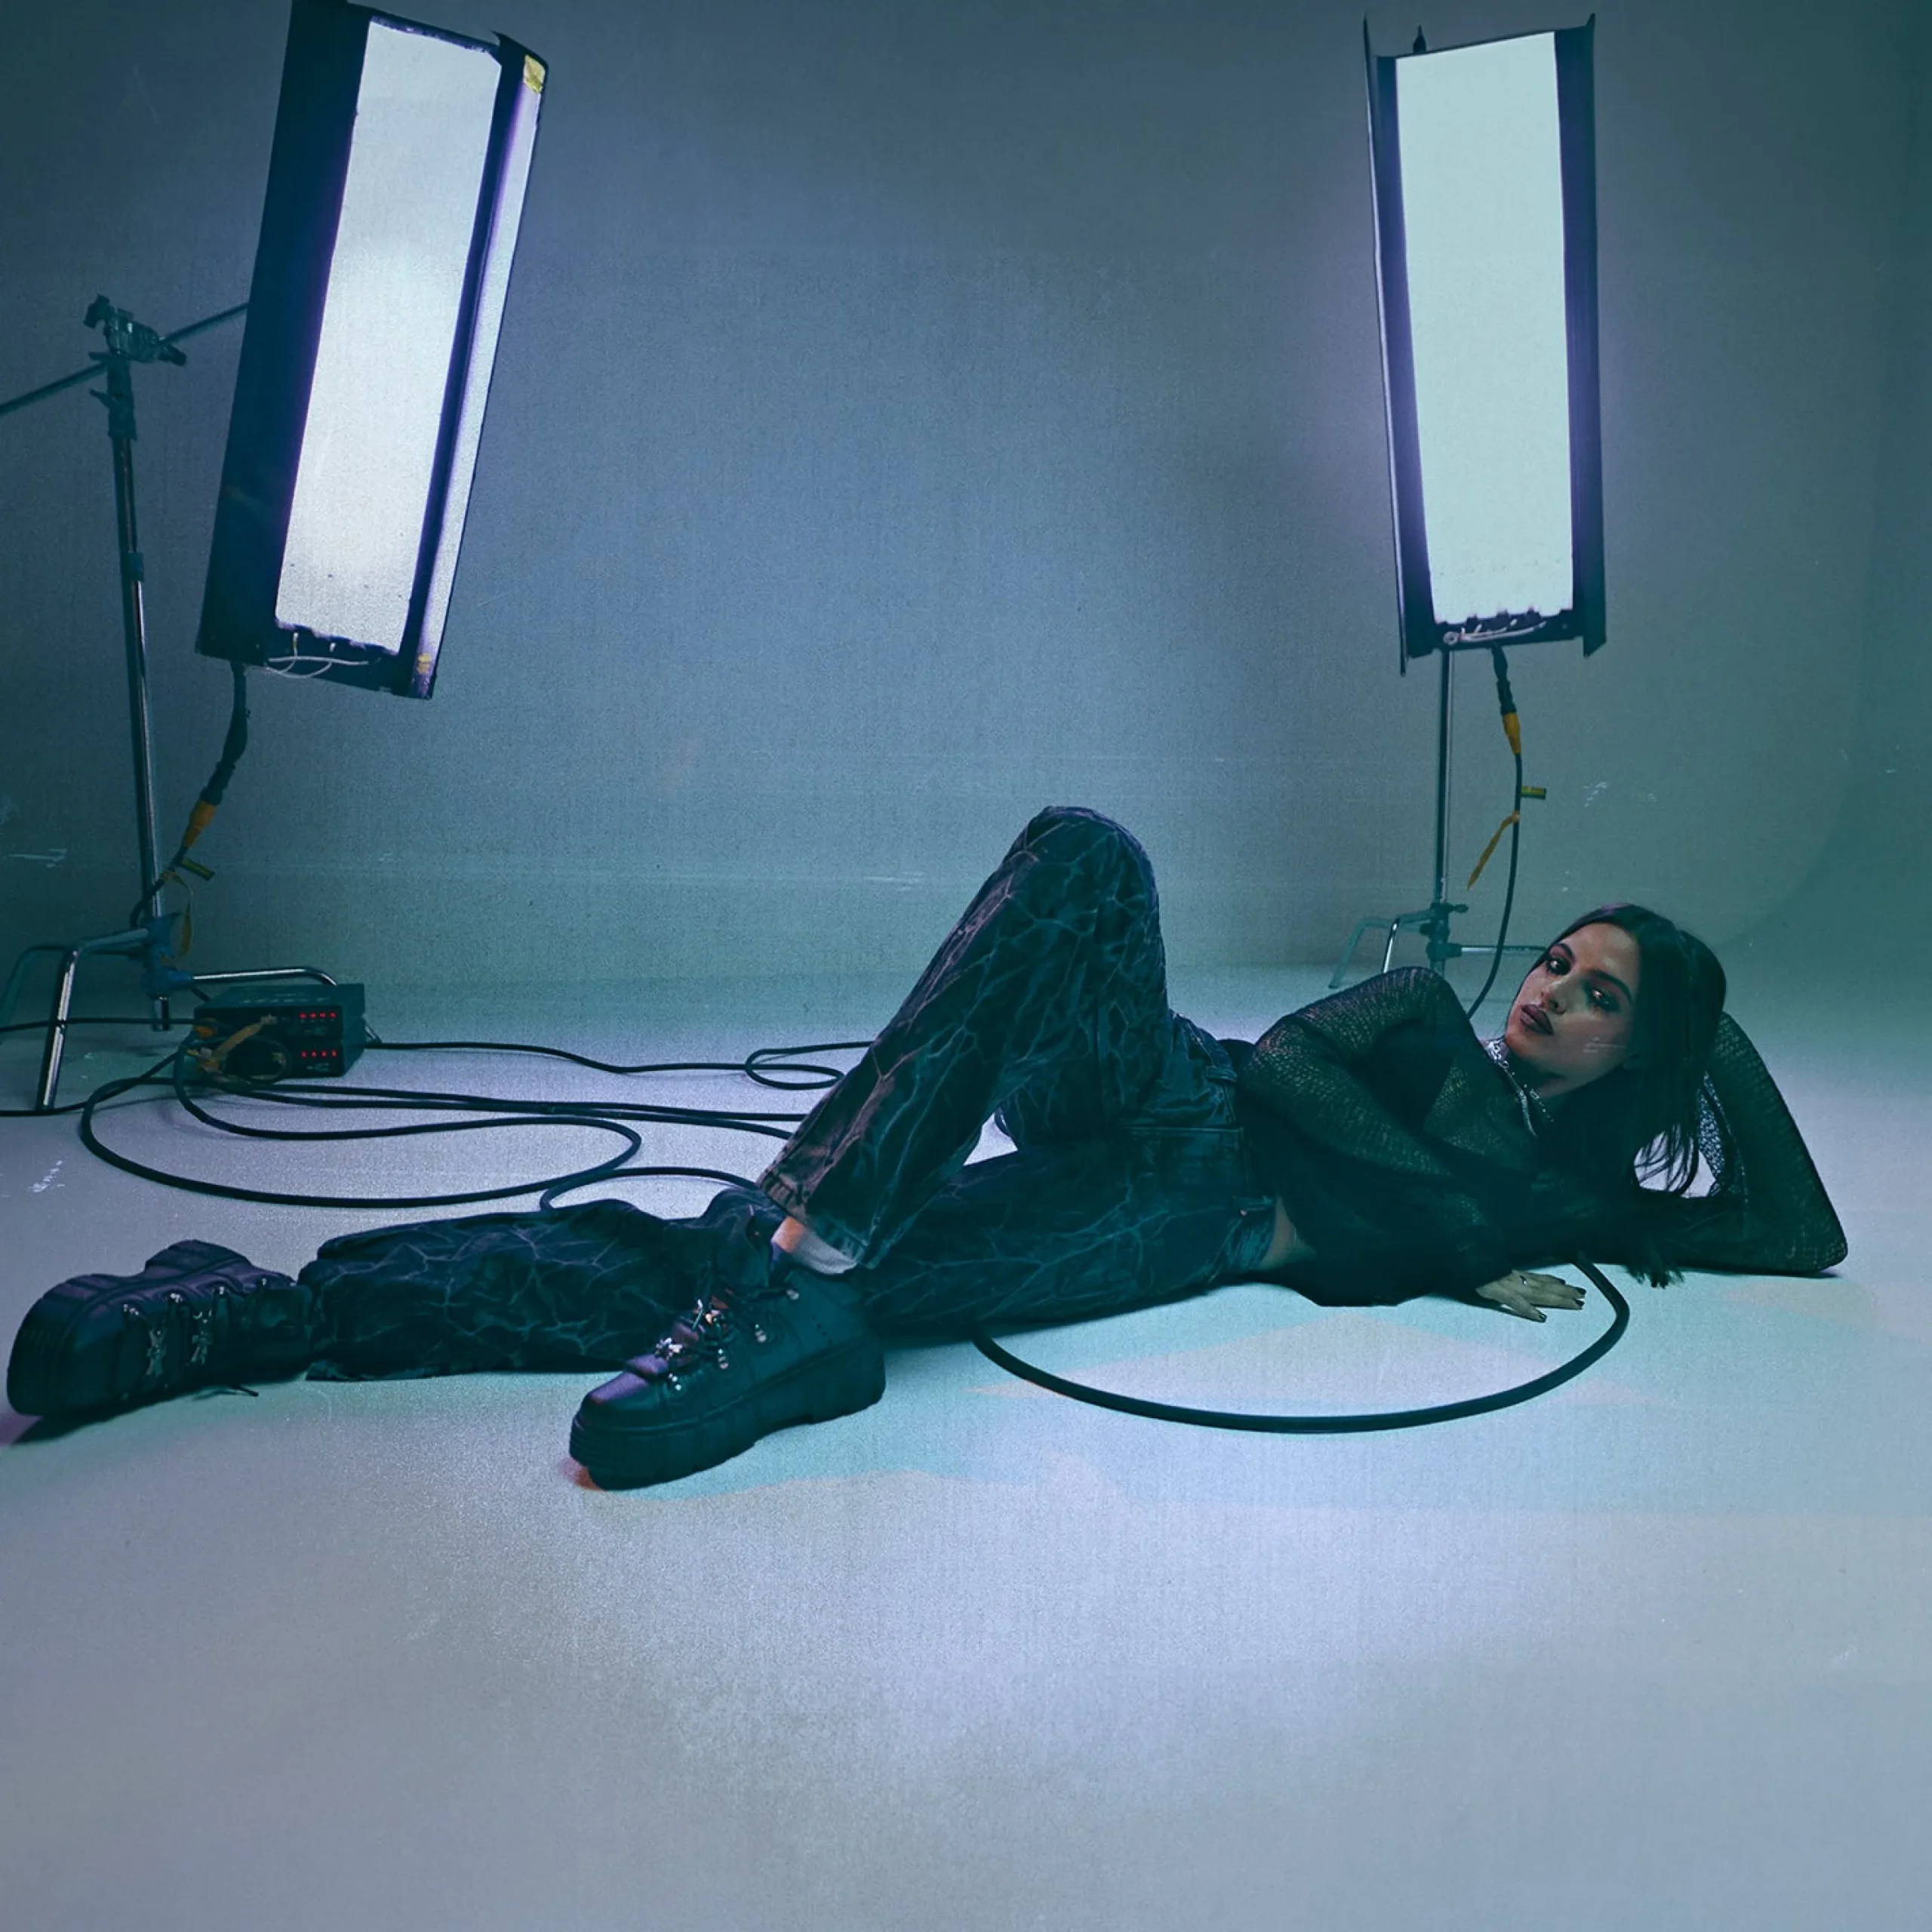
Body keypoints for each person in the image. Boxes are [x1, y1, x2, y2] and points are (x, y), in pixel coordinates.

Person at [5, 807, 1846, 1488]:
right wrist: (1444, 1230)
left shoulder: (1579, 1185)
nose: (1548, 987)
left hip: (1169, 1218)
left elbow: (1793, 1229)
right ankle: (799, 1280)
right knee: (1085, 855)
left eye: (1598, 995)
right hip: (1179, 1102)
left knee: (726, 1261)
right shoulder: (1421, 1018)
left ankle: (262, 1309)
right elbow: (1288, 1066)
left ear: (1641, 1052)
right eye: (1559, 957)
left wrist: (1703, 1017)